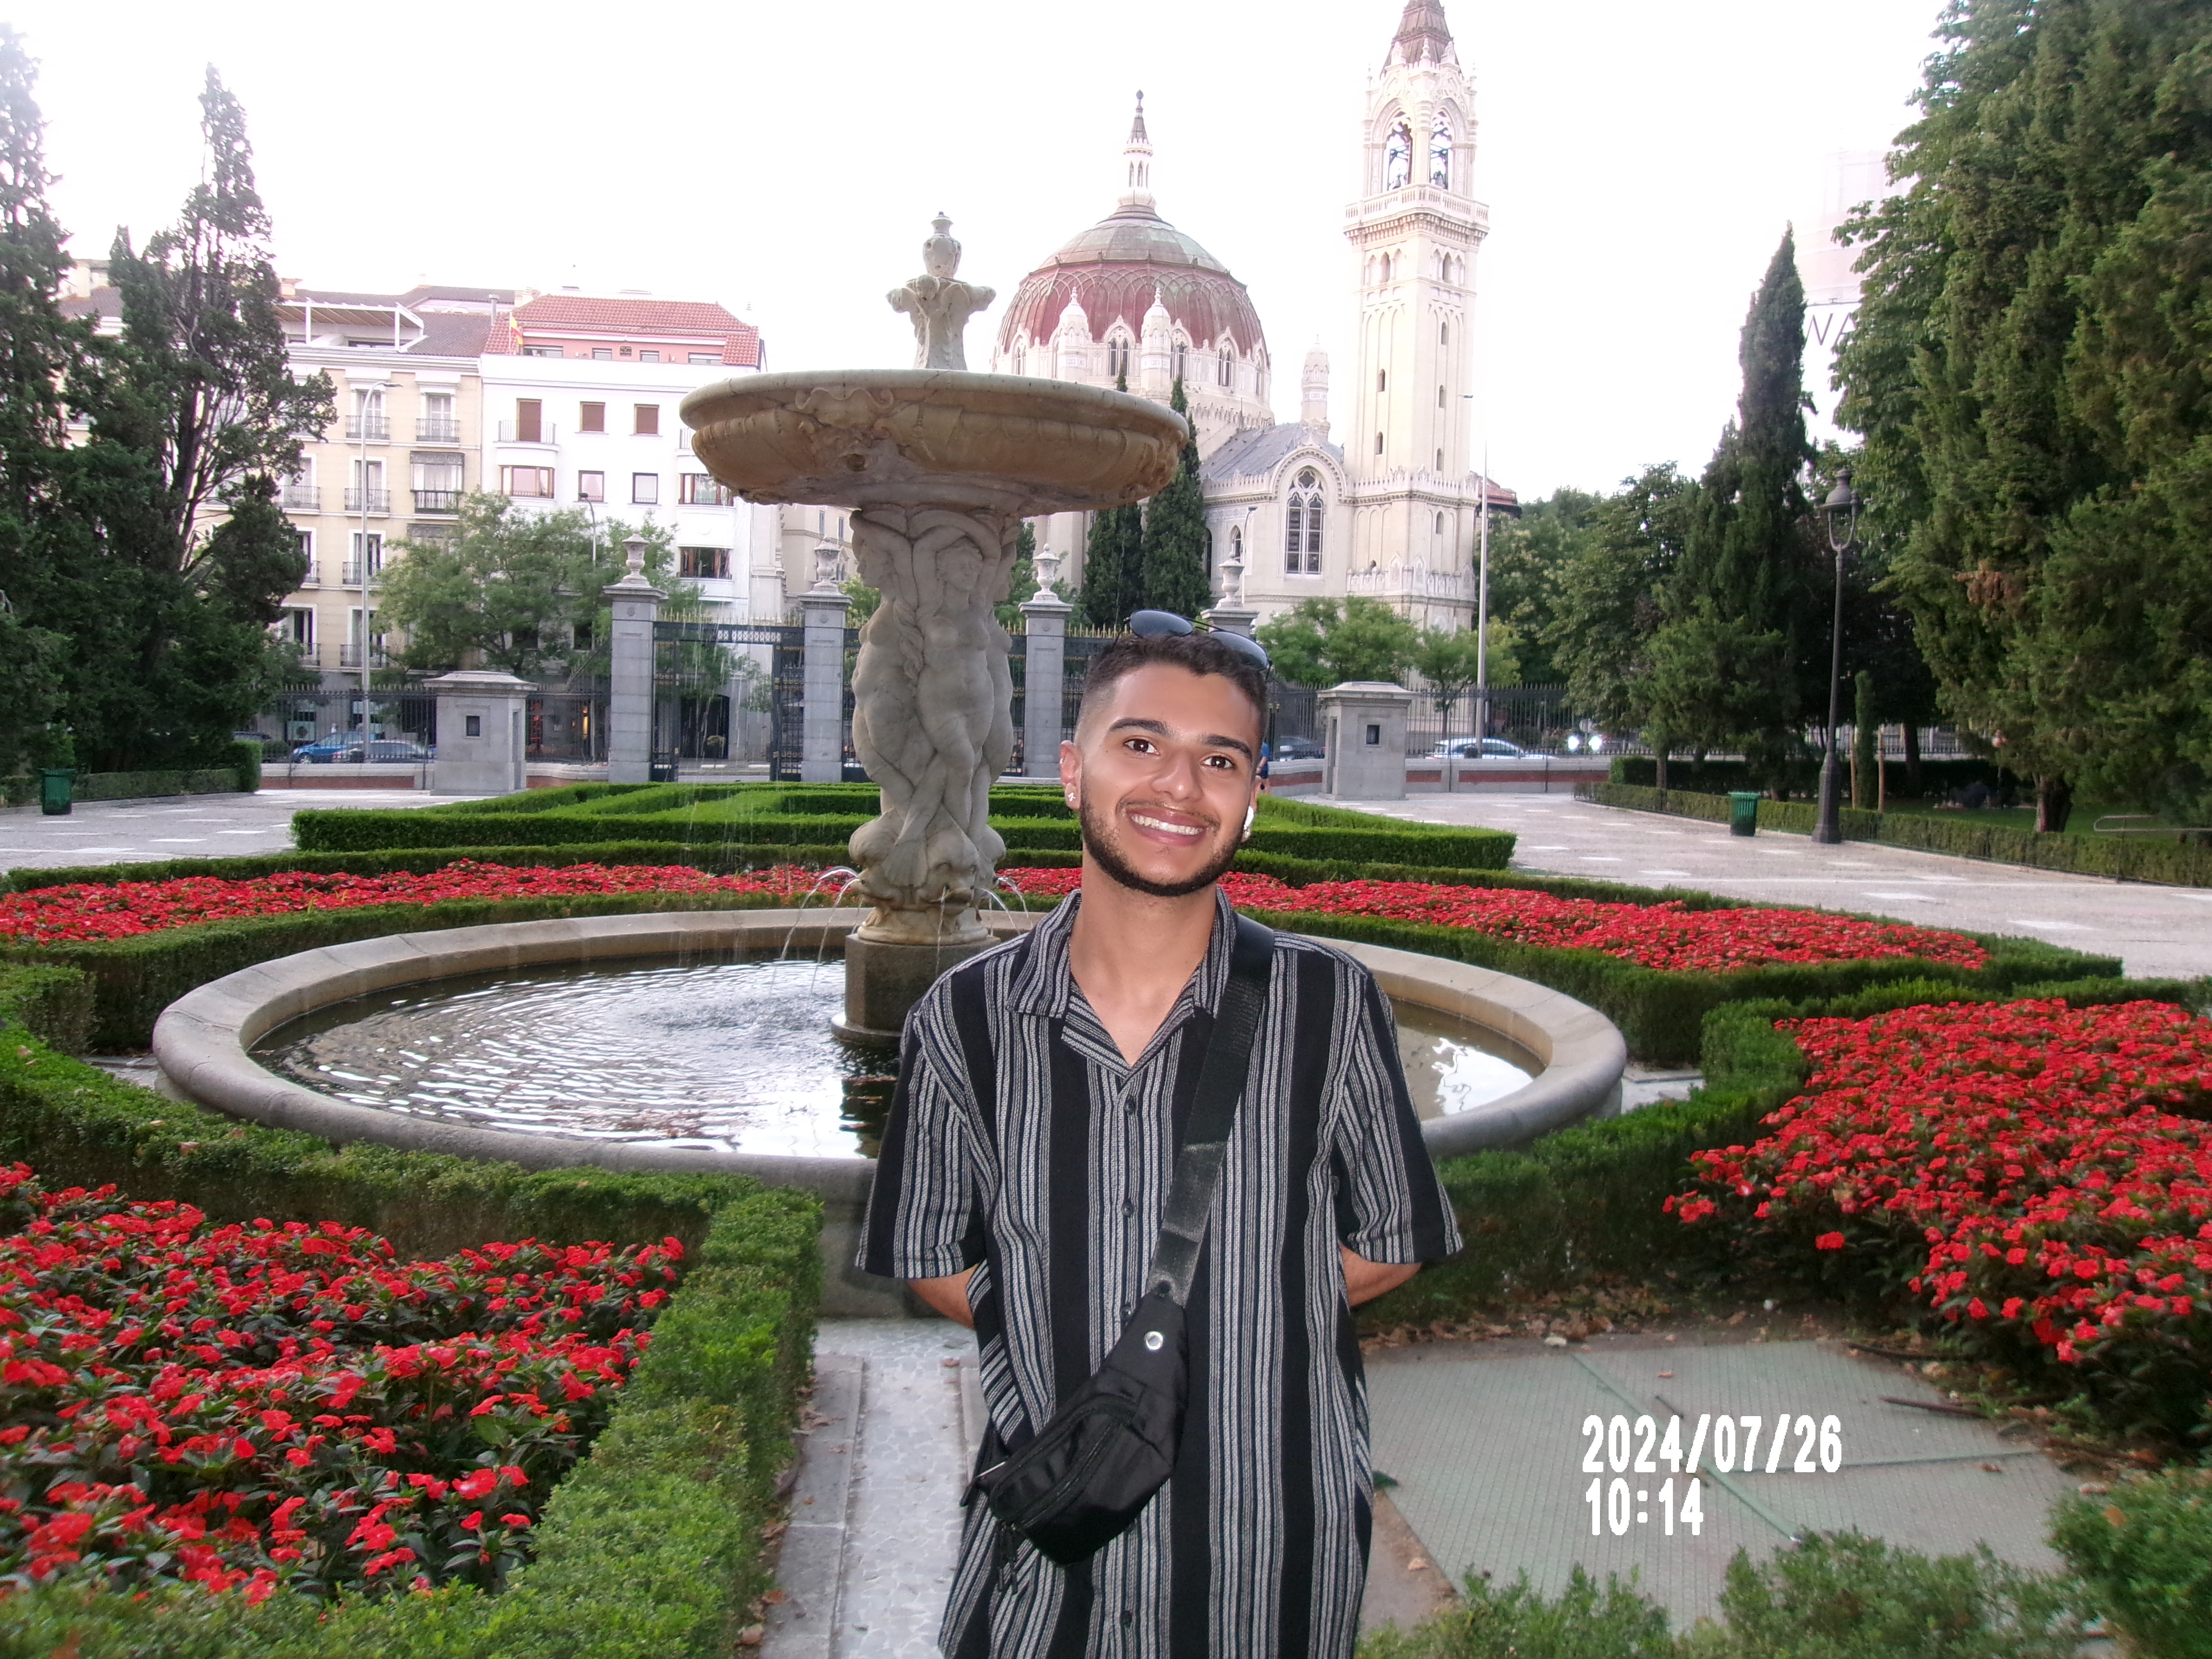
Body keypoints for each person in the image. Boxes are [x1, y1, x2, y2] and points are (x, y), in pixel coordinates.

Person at [859, 620, 1462, 1657]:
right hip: (1046, 1560)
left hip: (1267, 1560)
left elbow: (1394, 1239)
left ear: (1253, 795)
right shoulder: (966, 1019)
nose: (1179, 787)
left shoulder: (1330, 1005)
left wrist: (1247, 1305)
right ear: (1071, 771)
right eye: (1140, 744)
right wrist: (1058, 1311)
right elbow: (929, 1254)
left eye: (1220, 760)